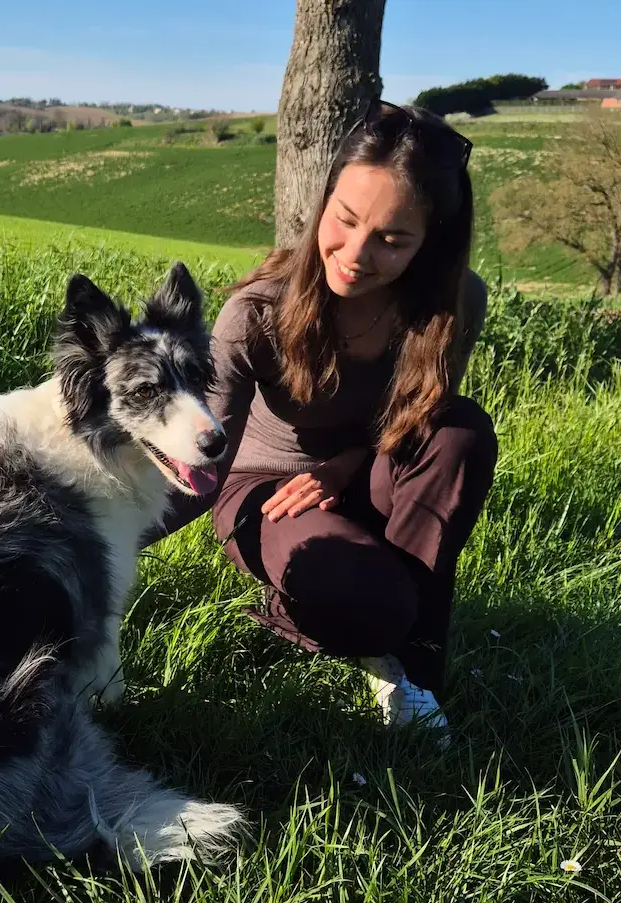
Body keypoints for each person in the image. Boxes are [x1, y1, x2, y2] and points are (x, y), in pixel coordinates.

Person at [141, 99, 498, 741]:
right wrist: (88, 543)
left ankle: (408, 668)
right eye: (346, 219)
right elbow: (205, 461)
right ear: (324, 200)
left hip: (365, 473)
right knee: (368, 598)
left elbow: (416, 421)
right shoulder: (256, 315)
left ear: (431, 243)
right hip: (262, 492)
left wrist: (345, 466)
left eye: (392, 240)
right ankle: (346, 613)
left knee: (460, 429)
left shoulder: (456, 300)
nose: (356, 254)